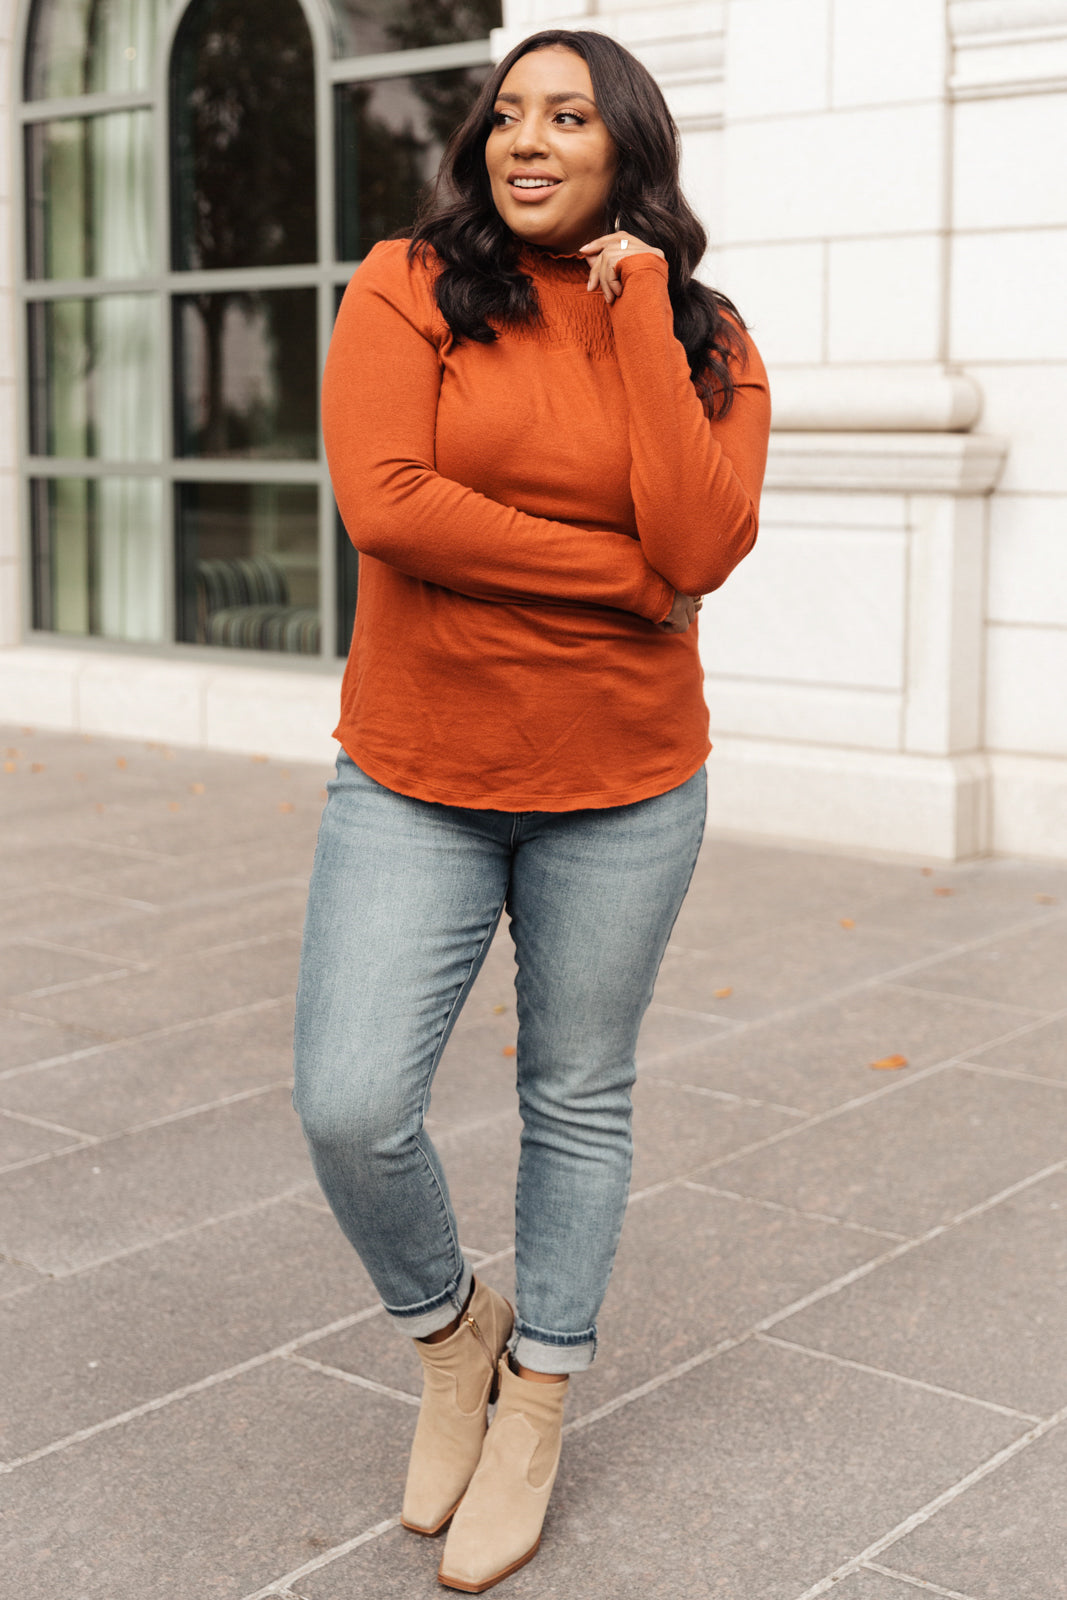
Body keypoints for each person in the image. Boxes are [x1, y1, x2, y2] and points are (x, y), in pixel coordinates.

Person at [293, 26, 770, 1594]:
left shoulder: (708, 338)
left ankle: (540, 1392)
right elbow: (390, 501)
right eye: (508, 115)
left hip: (625, 787)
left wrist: (637, 309)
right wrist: (625, 583)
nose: (528, 140)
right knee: (351, 1102)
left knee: (577, 1095)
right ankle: (453, 1341)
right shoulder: (405, 286)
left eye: (570, 116)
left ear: (627, 145)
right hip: (417, 772)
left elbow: (700, 535)